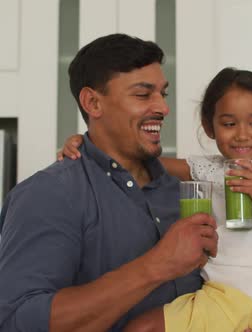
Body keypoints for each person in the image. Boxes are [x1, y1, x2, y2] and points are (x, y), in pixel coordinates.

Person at [59, 67, 252, 332]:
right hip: (222, 298)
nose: (242, 134)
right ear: (209, 127)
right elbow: (137, 160)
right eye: (229, 123)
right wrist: (87, 145)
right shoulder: (208, 170)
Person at [0, 34, 218, 331]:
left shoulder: (182, 191)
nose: (163, 108)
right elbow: (16, 321)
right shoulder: (48, 194)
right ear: (93, 102)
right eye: (143, 94)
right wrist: (156, 265)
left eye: (162, 94)